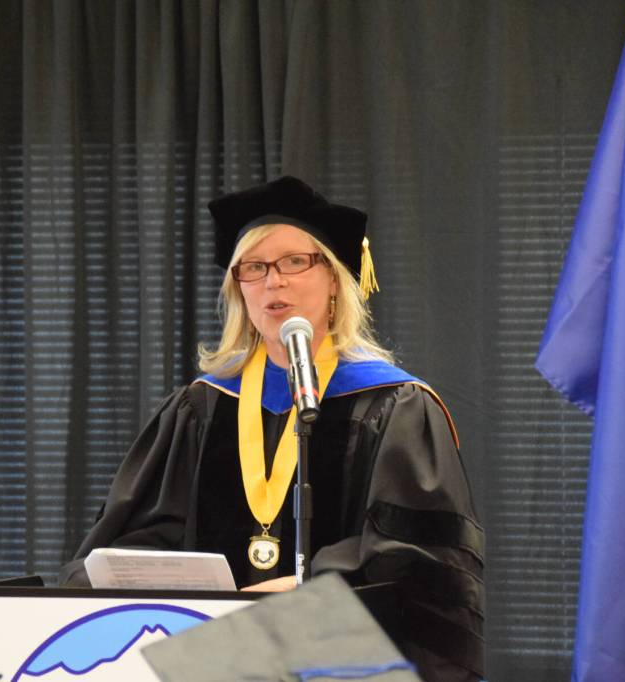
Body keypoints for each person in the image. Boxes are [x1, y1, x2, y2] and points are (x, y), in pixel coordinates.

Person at [59, 176, 484, 682]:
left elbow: (425, 561)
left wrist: (319, 585)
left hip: (338, 662)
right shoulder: (201, 406)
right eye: (254, 268)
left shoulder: (394, 405)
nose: (273, 282)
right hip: (208, 661)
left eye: (293, 262)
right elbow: (137, 536)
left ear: (334, 279)